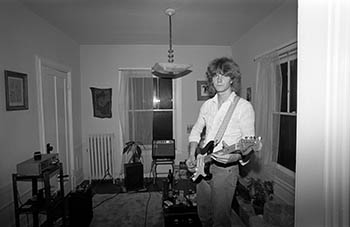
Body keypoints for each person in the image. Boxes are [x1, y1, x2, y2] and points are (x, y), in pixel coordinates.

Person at [186, 57, 256, 227]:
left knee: (220, 219)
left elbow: (249, 145)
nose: (218, 79)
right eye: (215, 75)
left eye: (224, 75)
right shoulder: (208, 105)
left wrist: (234, 157)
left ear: (232, 79)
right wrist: (191, 156)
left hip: (225, 171)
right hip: (203, 163)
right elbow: (196, 131)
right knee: (204, 214)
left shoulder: (243, 107)